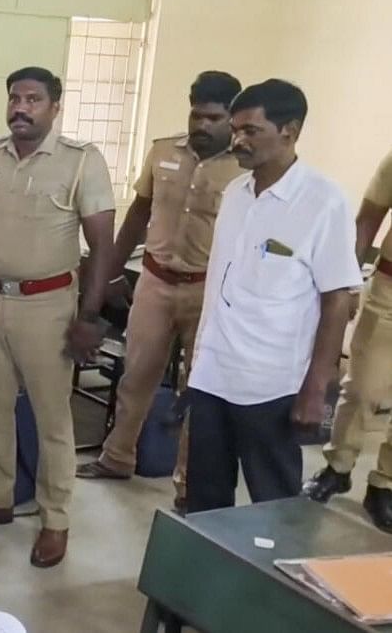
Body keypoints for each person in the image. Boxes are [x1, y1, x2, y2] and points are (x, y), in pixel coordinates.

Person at [0, 66, 116, 568]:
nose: (21, 108)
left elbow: (103, 246)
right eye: (15, 98)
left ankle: (55, 521)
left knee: (51, 418)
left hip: (49, 306)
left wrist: (90, 316)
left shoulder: (81, 163)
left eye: (33, 99)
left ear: (55, 107)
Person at [185, 79, 362, 514]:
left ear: (290, 131)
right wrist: (198, 359)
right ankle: (212, 578)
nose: (239, 140)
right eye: (237, 129)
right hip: (213, 375)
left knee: (274, 502)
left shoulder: (323, 202)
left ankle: (276, 579)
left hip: (272, 385)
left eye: (252, 131)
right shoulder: (235, 194)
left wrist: (315, 390)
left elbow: (338, 298)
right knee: (205, 497)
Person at [77, 71, 243, 512]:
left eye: (213, 117)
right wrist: (111, 272)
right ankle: (117, 458)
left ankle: (187, 487)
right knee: (136, 377)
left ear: (233, 118)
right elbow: (138, 214)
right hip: (154, 281)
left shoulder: (245, 169)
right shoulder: (163, 151)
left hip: (207, 290)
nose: (201, 125)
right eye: (196, 114)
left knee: (196, 390)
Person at [302, 148, 392, 533]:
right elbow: (369, 218)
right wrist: (348, 278)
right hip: (389, 289)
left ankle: (385, 486)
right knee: (364, 388)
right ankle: (337, 467)